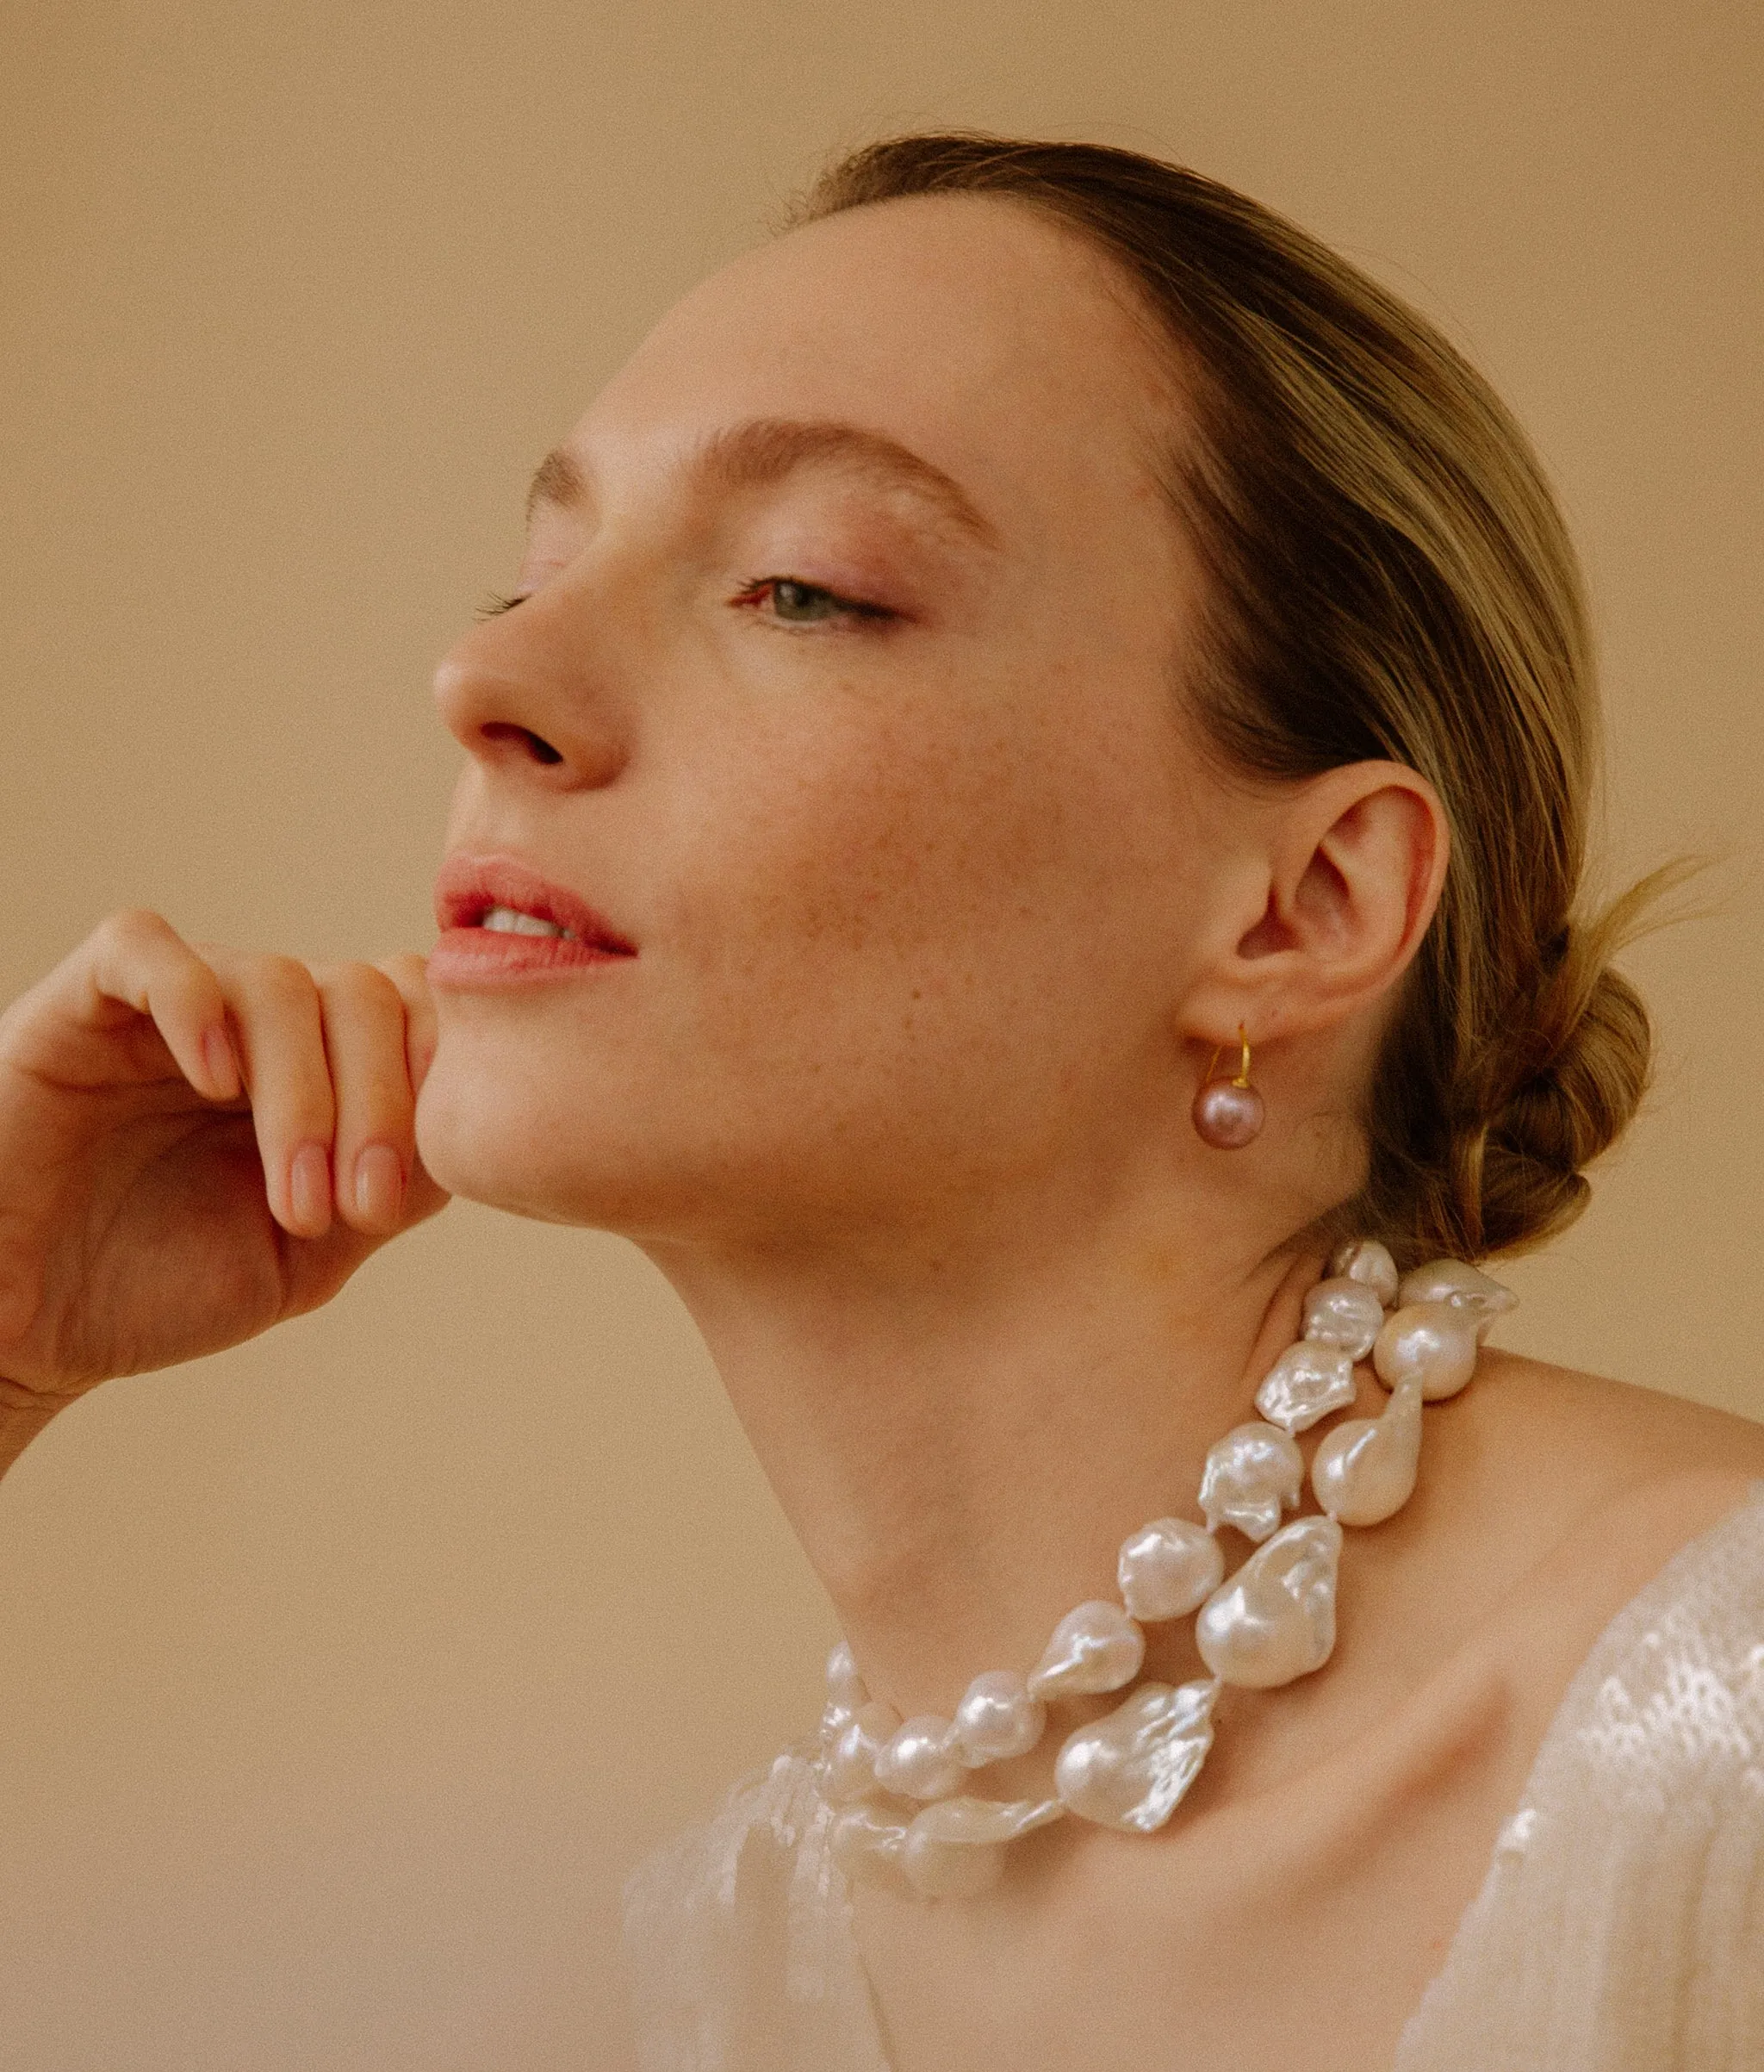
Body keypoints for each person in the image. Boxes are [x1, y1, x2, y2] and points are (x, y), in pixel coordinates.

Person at [1, 134, 1760, 2071]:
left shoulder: (1723, 1752)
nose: (483, 673)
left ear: (1301, 906)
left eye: (801, 588)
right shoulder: (713, 1972)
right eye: (526, 572)